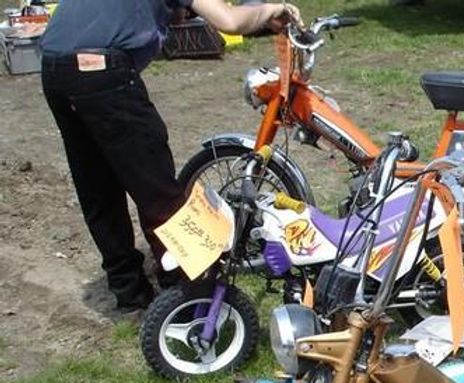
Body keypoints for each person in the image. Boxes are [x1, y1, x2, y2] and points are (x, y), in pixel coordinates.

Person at [40, 0, 301, 313]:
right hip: (102, 70)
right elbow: (228, 20)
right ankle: (186, 293)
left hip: (55, 67)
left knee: (97, 185)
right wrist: (272, 10)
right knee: (157, 189)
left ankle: (129, 291)